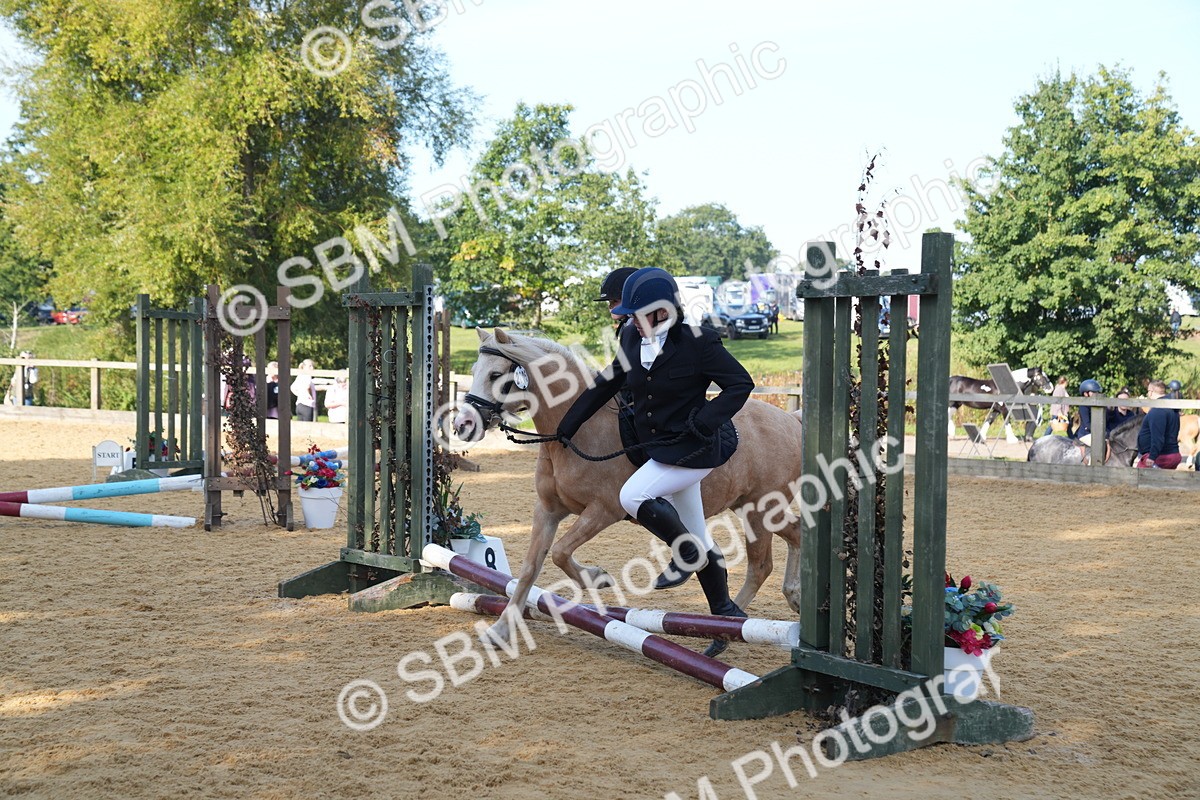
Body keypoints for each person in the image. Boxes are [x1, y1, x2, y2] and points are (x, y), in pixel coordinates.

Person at [557, 267, 754, 655]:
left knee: (632, 496)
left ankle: (685, 554)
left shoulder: (699, 342)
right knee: (697, 533)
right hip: (659, 447)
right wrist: (569, 423)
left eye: (636, 314)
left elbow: (740, 384)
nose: (629, 321)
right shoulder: (632, 336)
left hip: (696, 448)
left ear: (663, 311)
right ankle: (726, 613)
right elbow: (609, 381)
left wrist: (706, 419)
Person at [597, 266, 686, 590]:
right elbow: (618, 370)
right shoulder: (629, 327)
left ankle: (657, 501)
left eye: (614, 302)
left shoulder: (641, 328)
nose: (612, 309)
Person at [1136, 380, 1181, 469]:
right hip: (1172, 454)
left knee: (1138, 476)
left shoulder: (1158, 410)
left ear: (1151, 392)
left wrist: (1152, 457)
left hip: (1161, 456)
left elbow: (1158, 437)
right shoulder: (1171, 407)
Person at [1071, 378, 1104, 445]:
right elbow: (1087, 424)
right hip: (1085, 434)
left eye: (1097, 392)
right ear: (1086, 393)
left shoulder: (1098, 404)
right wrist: (1100, 431)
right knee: (1099, 444)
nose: (1096, 394)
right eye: (1094, 392)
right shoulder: (1083, 406)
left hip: (1095, 432)